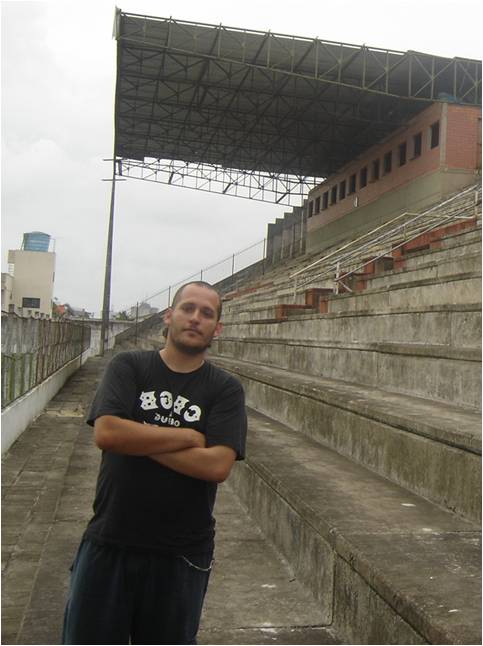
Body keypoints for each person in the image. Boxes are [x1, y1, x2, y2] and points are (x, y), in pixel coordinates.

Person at [62, 281, 247, 645]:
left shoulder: (225, 389)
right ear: (169, 316)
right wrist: (187, 437)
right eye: (188, 308)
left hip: (181, 555)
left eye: (207, 313)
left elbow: (216, 466)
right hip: (110, 541)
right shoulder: (128, 366)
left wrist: (137, 439)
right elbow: (108, 433)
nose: (196, 318)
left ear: (217, 328)